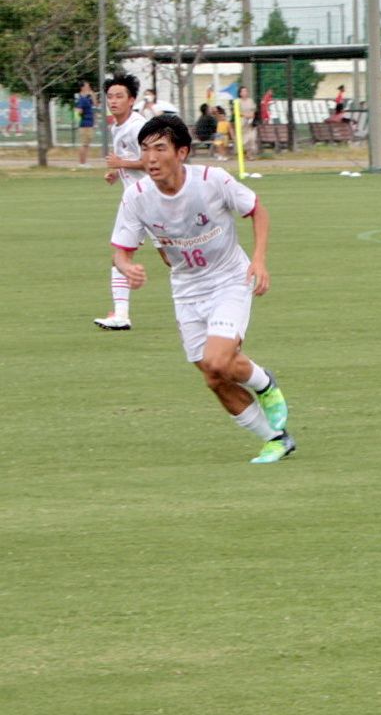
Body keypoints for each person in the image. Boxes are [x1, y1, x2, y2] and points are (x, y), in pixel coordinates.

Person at [109, 114, 295, 463]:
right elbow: (120, 250)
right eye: (145, 149)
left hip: (229, 279)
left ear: (182, 152)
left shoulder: (212, 180)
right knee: (213, 376)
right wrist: (126, 266)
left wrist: (258, 260)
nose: (150, 158)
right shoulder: (136, 196)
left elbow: (258, 210)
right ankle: (275, 439)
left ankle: (264, 384)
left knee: (217, 359)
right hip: (186, 289)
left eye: (160, 148)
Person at [97, 74, 150, 330]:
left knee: (173, 258)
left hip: (154, 197)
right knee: (120, 254)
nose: (113, 101)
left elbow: (154, 162)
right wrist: (116, 172)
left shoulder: (139, 126)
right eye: (110, 96)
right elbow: (130, 160)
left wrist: (121, 164)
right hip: (133, 200)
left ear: (132, 100)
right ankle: (121, 314)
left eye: (119, 96)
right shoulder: (116, 126)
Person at [74, 81, 96, 165]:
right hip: (84, 125)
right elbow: (78, 111)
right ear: (82, 88)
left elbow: (95, 104)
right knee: (84, 144)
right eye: (87, 86)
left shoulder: (87, 98)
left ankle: (84, 162)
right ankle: (82, 163)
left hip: (89, 124)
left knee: (86, 144)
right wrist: (80, 117)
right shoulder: (81, 99)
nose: (89, 87)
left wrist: (92, 94)